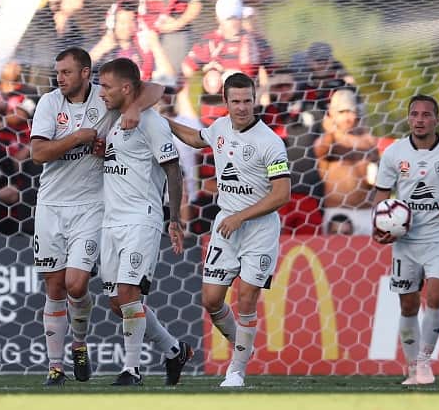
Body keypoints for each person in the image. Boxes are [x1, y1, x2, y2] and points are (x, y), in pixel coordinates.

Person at [28, 47, 167, 386]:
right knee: (55, 286)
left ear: (86, 74)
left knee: (77, 284)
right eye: (57, 72)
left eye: (66, 72)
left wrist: (134, 107)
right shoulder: (50, 104)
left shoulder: (104, 100)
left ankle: (85, 345)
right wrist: (78, 137)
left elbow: (156, 88)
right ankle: (59, 364)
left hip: (92, 206)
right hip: (50, 205)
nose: (59, 78)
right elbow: (38, 153)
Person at [165, 72, 291, 388]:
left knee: (246, 298)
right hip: (227, 226)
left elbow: (282, 194)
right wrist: (163, 124)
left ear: (255, 99)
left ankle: (236, 370)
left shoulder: (270, 142)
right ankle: (242, 345)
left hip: (259, 229)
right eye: (235, 101)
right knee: (211, 300)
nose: (242, 107)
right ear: (225, 101)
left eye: (247, 100)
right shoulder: (220, 127)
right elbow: (196, 138)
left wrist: (241, 216)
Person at [96, 57, 191, 386]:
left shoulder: (151, 122)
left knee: (129, 291)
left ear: (126, 88)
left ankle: (131, 369)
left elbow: (173, 170)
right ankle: (174, 350)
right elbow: (146, 89)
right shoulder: (113, 117)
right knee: (116, 302)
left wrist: (174, 218)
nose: (100, 93)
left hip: (142, 218)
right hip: (110, 222)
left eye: (106, 87)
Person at [371, 94, 439, 386]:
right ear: (409, 118)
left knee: (434, 296)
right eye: (415, 114)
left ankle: (424, 361)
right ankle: (412, 368)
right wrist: (380, 225)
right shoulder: (394, 153)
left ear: (436, 119)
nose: (420, 120)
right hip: (406, 241)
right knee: (408, 306)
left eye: (426, 115)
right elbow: (382, 195)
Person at [313, 88, 379, 234]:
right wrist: (330, 131)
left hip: (367, 211)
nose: (347, 117)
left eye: (350, 111)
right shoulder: (330, 139)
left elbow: (377, 174)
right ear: (331, 114)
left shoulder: (368, 140)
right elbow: (319, 150)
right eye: (341, 112)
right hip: (337, 212)